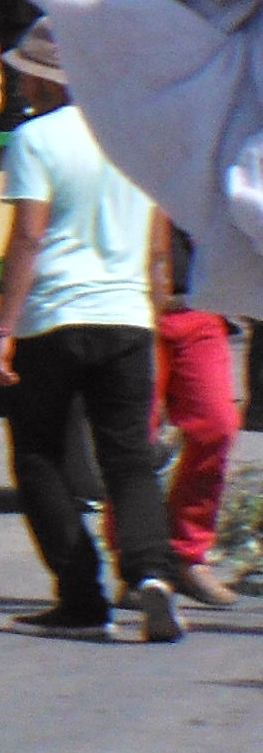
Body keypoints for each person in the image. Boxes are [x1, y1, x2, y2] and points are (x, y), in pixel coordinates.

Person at [0, 24, 186, 643]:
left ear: (49, 80)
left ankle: (81, 599)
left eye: (26, 73)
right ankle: (152, 575)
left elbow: (29, 237)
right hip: (126, 320)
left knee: (40, 455)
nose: (21, 82)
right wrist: (153, 317)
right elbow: (158, 246)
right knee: (129, 459)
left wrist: (2, 328)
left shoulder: (35, 139)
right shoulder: (137, 139)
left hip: (54, 320)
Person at [153, 222, 240, 608]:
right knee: (137, 443)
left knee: (217, 425)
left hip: (198, 309)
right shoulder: (125, 163)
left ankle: (188, 555)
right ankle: (140, 564)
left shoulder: (198, 166)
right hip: (136, 311)